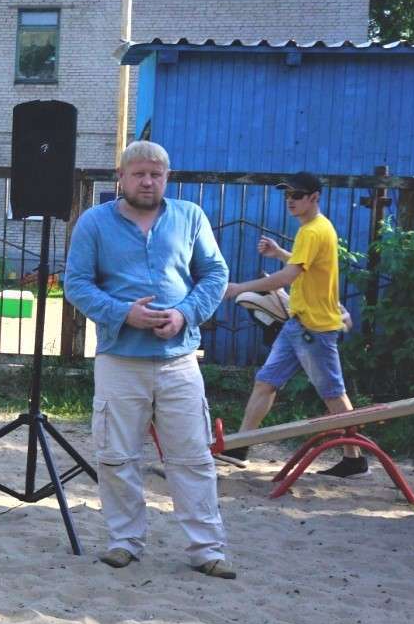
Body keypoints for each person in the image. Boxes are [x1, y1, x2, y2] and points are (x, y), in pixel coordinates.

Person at [65, 140, 235, 579]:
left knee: (193, 457)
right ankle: (125, 542)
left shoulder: (190, 217)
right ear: (120, 177)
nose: (147, 182)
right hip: (120, 359)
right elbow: (76, 283)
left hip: (179, 360)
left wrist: (184, 314)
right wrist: (124, 313)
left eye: (155, 175)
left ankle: (207, 549)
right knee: (117, 456)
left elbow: (215, 274)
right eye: (138, 174)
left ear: (167, 178)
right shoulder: (94, 222)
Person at [222, 172, 368, 478]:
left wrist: (239, 288)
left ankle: (354, 458)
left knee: (332, 393)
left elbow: (289, 276)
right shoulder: (314, 229)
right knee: (266, 382)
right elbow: (306, 266)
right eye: (287, 195)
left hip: (315, 328)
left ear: (314, 198)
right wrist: (279, 253)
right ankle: (240, 446)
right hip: (297, 324)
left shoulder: (313, 231)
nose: (290, 201)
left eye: (297, 195)